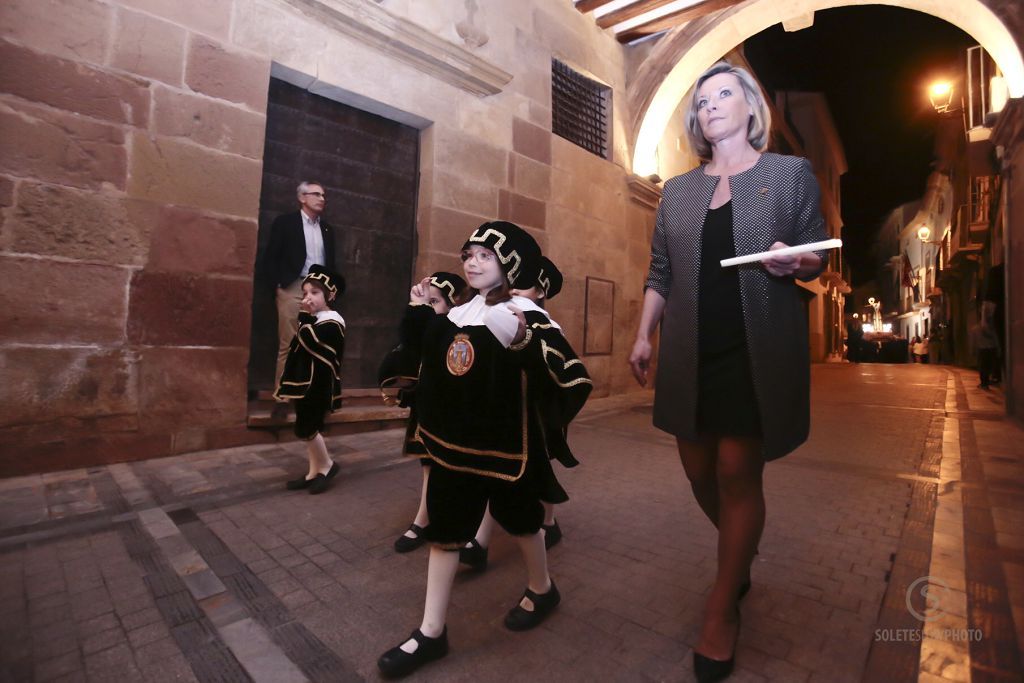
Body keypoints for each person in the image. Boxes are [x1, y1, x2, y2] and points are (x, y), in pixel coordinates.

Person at [628, 61, 829, 683]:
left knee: (738, 469)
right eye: (703, 99)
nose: (712, 105)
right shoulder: (678, 191)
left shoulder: (788, 175)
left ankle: (722, 607)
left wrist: (796, 263)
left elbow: (817, 253)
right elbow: (660, 271)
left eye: (725, 94)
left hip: (755, 347)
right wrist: (643, 333)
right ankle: (739, 552)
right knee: (698, 471)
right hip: (692, 351)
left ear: (749, 108)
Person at [377, 221, 591, 678]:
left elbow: (568, 374)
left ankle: (542, 587)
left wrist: (522, 342)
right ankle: (431, 632)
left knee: (523, 523)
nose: (472, 262)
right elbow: (429, 363)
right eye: (468, 255)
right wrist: (419, 314)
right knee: (445, 532)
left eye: (484, 256)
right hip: (453, 449)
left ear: (509, 264)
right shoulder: (457, 314)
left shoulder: (525, 314)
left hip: (506, 452)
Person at [457, 256, 573, 572]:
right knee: (498, 471)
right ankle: (480, 542)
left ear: (539, 293)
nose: (515, 289)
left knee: (540, 466)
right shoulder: (499, 314)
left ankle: (549, 521)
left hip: (536, 410)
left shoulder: (549, 325)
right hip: (509, 410)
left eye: (524, 285)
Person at [380, 272, 468, 553]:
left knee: (445, 467)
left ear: (452, 305)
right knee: (428, 465)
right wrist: (416, 309)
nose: (428, 308)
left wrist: (421, 313)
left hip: (449, 410)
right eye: (426, 302)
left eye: (435, 302)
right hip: (426, 406)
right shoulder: (427, 327)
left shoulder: (458, 330)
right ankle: (424, 517)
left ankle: (432, 521)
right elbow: (412, 348)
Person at [264, 181, 337, 420]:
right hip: (293, 286)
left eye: (324, 195)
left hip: (320, 289)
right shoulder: (285, 223)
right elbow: (271, 256)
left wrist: (329, 289)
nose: (322, 198)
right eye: (316, 194)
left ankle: (316, 398)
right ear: (302, 198)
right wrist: (278, 285)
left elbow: (331, 262)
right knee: (289, 343)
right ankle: (282, 398)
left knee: (320, 343)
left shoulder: (327, 229)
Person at [274, 265, 346, 495]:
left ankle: (327, 465)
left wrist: (304, 317)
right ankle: (313, 471)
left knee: (309, 426)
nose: (308, 298)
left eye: (315, 292)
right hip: (304, 383)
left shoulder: (333, 320)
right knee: (305, 427)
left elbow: (312, 343)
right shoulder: (313, 319)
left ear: (330, 296)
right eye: (305, 293)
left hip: (319, 384)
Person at [970, 314, 999, 389]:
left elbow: (973, 342)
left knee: (982, 366)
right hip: (991, 349)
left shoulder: (975, 329)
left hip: (982, 350)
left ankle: (984, 383)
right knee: (989, 366)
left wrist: (973, 350)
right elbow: (996, 339)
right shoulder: (991, 329)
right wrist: (998, 348)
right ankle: (987, 381)